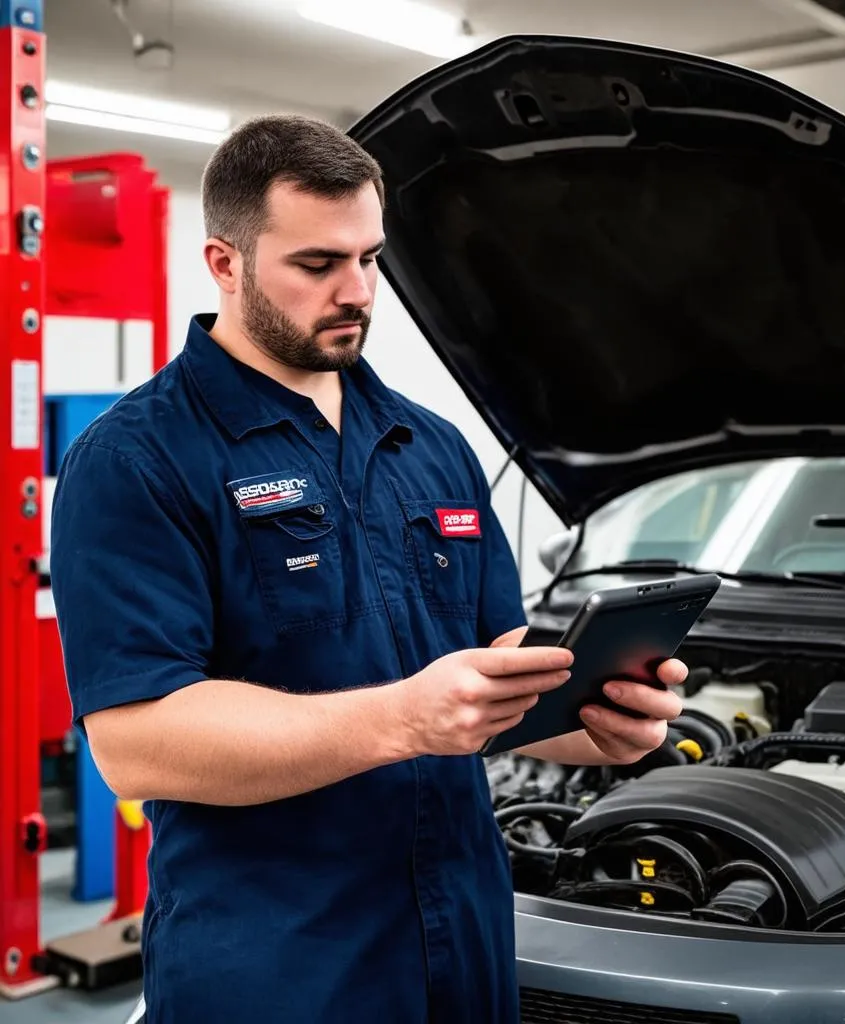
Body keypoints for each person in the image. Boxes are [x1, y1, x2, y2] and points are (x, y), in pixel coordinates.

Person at [49, 113, 687, 1024]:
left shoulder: (433, 447)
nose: (356, 291)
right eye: (317, 265)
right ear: (225, 264)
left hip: (461, 944)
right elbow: (136, 742)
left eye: (371, 258)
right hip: (278, 967)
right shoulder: (137, 460)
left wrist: (595, 721)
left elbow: (489, 663)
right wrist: (402, 719)